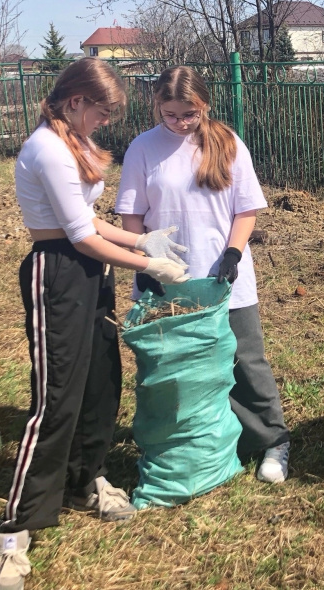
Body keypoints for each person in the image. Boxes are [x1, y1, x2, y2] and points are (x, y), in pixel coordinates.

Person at [0, 58, 190, 590]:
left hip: (90, 270)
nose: (103, 121)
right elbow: (76, 234)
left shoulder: (70, 142)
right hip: (57, 273)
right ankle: (13, 535)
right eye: (101, 111)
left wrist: (141, 238)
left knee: (100, 381)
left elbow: (91, 220)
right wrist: (149, 264)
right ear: (77, 100)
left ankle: (86, 480)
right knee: (55, 401)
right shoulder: (48, 148)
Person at [116, 65, 291, 487]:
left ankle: (272, 440)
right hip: (166, 277)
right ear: (156, 105)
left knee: (244, 357)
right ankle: (192, 440)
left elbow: (245, 209)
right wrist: (146, 263)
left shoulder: (228, 143)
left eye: (189, 114)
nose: (179, 123)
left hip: (222, 277)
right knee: (175, 364)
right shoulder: (142, 148)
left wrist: (233, 252)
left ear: (204, 106)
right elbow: (130, 215)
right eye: (170, 114)